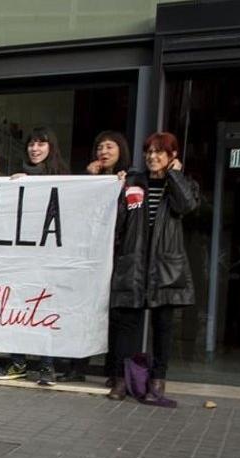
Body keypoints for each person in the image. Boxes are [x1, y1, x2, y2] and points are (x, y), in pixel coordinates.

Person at [107, 132, 198, 400]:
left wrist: (175, 176)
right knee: (127, 326)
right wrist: (117, 189)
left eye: (159, 152)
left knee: (163, 327)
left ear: (172, 157)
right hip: (133, 264)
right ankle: (121, 380)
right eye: (149, 152)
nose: (152, 157)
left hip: (165, 268)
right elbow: (117, 221)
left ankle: (158, 381)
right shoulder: (134, 183)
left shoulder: (182, 184)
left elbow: (187, 206)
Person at [0, 127, 70, 385]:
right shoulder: (18, 176)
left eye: (40, 144)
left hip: (49, 256)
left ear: (51, 147)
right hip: (22, 255)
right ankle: (18, 361)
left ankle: (47, 365)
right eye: (31, 144)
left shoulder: (63, 177)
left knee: (44, 308)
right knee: (18, 307)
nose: (34, 149)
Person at [80, 130, 132, 384]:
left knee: (116, 317)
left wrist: (122, 189)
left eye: (110, 147)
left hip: (118, 258)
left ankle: (115, 371)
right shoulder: (91, 178)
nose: (104, 152)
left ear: (121, 150)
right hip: (91, 257)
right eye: (100, 147)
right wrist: (91, 180)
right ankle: (78, 366)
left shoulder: (132, 180)